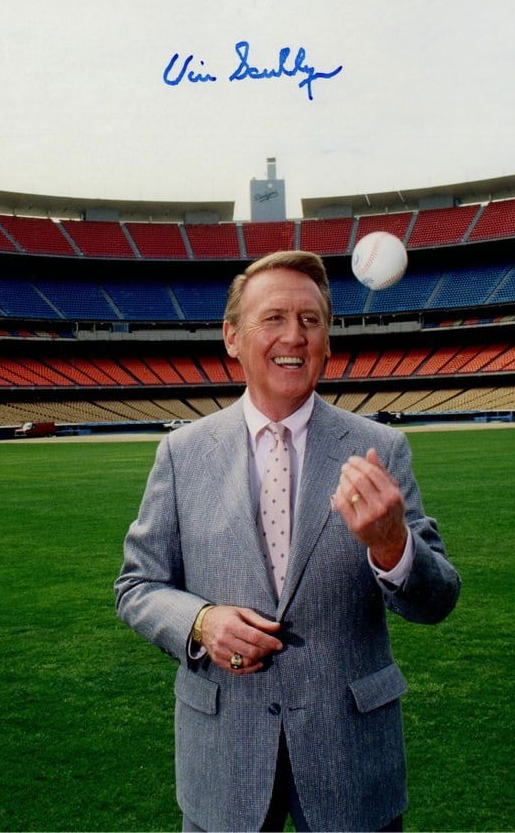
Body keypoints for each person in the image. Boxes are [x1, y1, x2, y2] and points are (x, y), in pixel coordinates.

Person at [115, 250, 460, 832]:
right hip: (223, 755)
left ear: (328, 341)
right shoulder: (183, 454)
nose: (293, 336)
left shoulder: (381, 449)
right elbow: (137, 586)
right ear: (232, 337)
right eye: (272, 318)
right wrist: (200, 622)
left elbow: (437, 599)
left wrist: (391, 546)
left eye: (310, 320)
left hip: (350, 756)